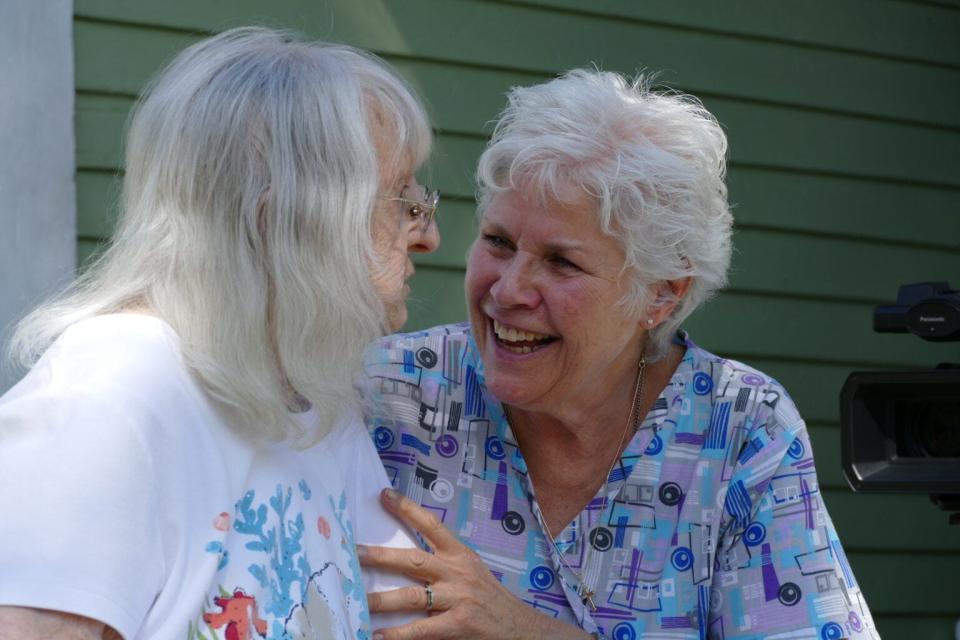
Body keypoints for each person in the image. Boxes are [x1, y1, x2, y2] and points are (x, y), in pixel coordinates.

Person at [357, 69, 879, 640]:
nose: (507, 291)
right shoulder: (391, 390)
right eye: (499, 242)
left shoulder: (738, 430)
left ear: (662, 294)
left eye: (562, 262)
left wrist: (518, 628)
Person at [0, 27, 437, 639]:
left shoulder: (312, 399)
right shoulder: (107, 403)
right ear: (286, 216)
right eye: (402, 200)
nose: (428, 235)